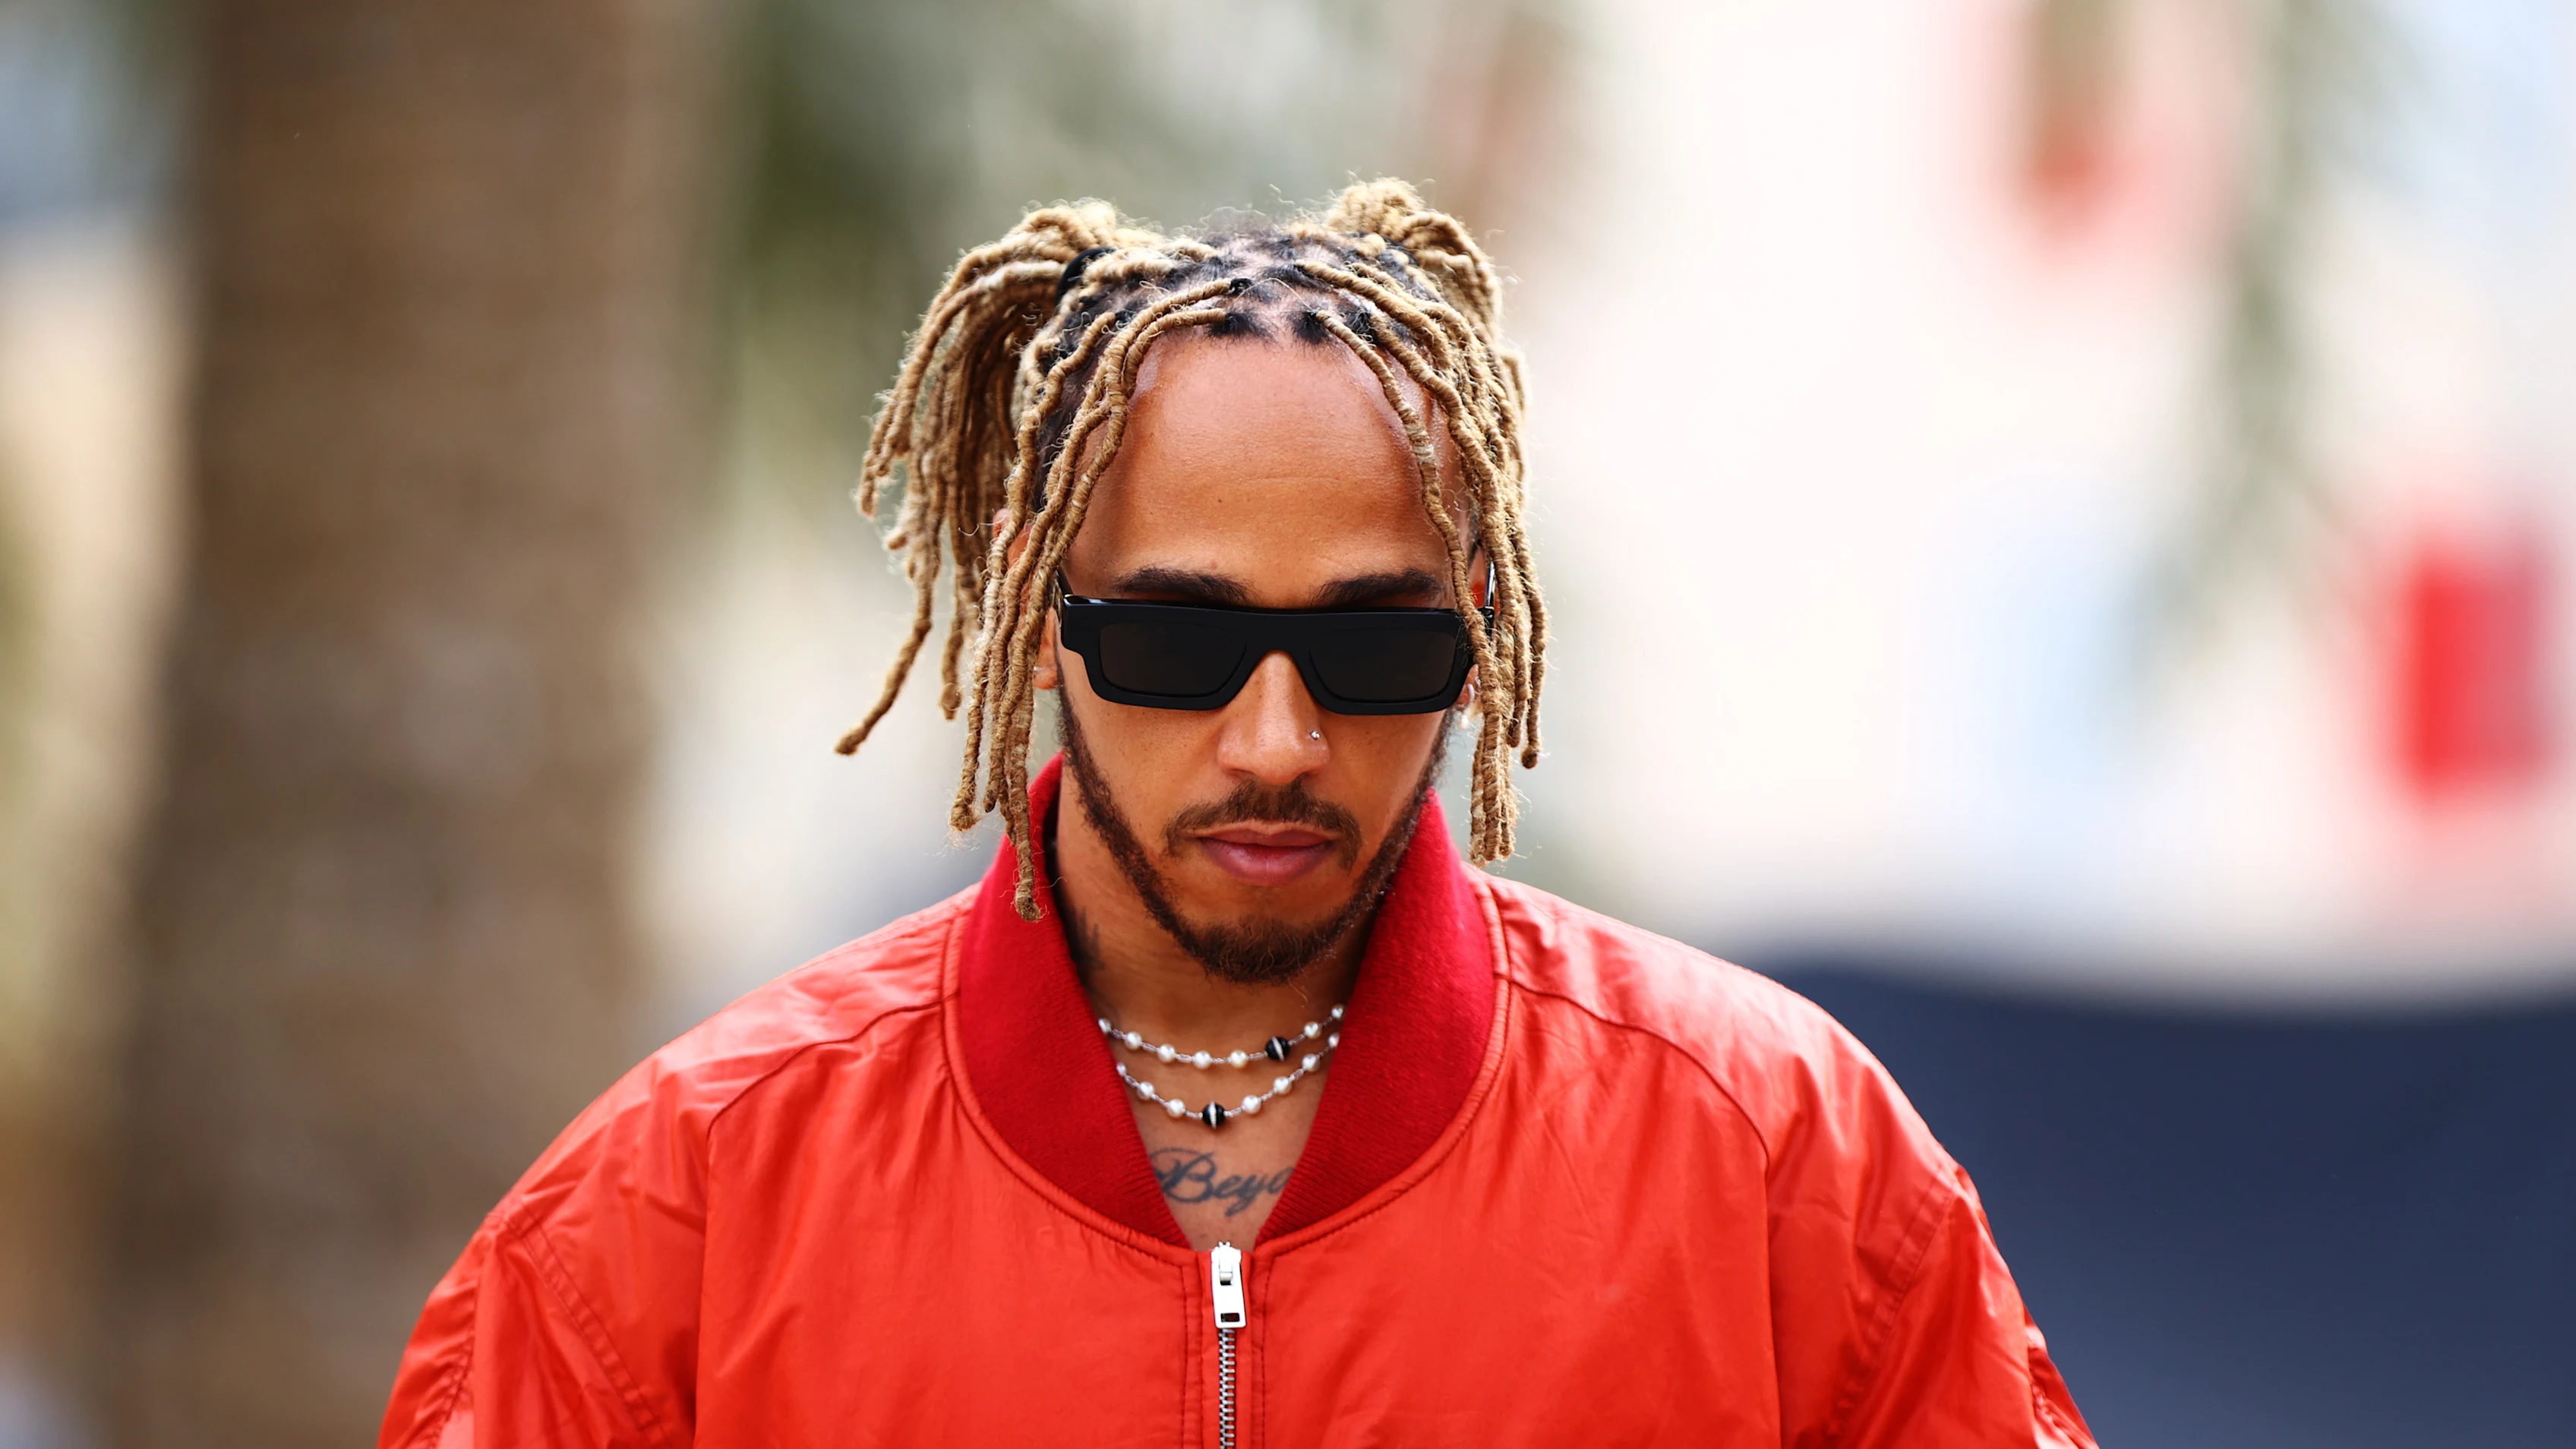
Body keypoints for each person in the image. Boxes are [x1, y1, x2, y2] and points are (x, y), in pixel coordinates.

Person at [379, 180, 2095, 1447]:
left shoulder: (1781, 1167)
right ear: (1039, 609)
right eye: (1183, 637)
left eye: (1369, 642)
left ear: (1478, 626)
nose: (1273, 738)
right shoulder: (679, 1212)